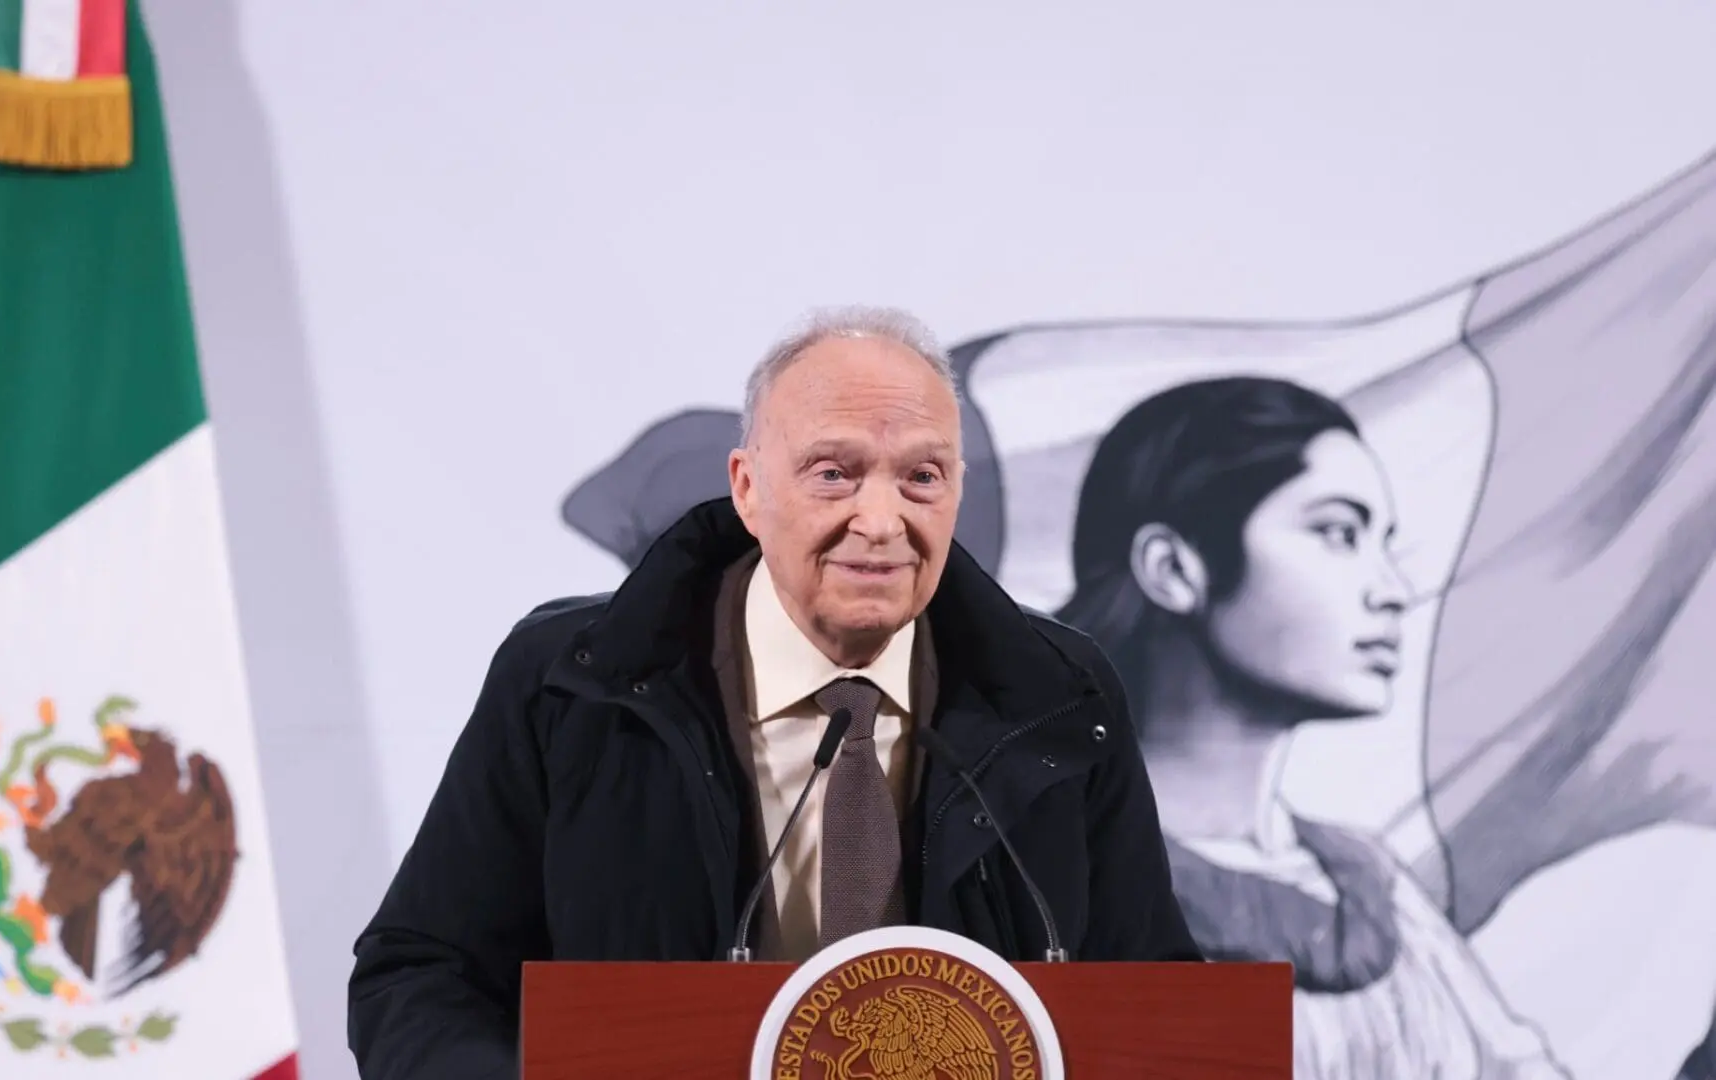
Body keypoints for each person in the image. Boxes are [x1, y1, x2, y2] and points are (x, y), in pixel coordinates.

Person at [347, 305, 1200, 1078]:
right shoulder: (575, 680)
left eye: (922, 478)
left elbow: (1159, 1002)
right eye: (835, 473)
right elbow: (422, 975)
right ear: (748, 488)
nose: (881, 519)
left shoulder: (1059, 695)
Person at [1056, 375, 1569, 1079]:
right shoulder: (1061, 878)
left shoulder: (1369, 883)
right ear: (1174, 569)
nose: (1391, 589)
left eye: (1382, 542)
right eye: (1338, 533)